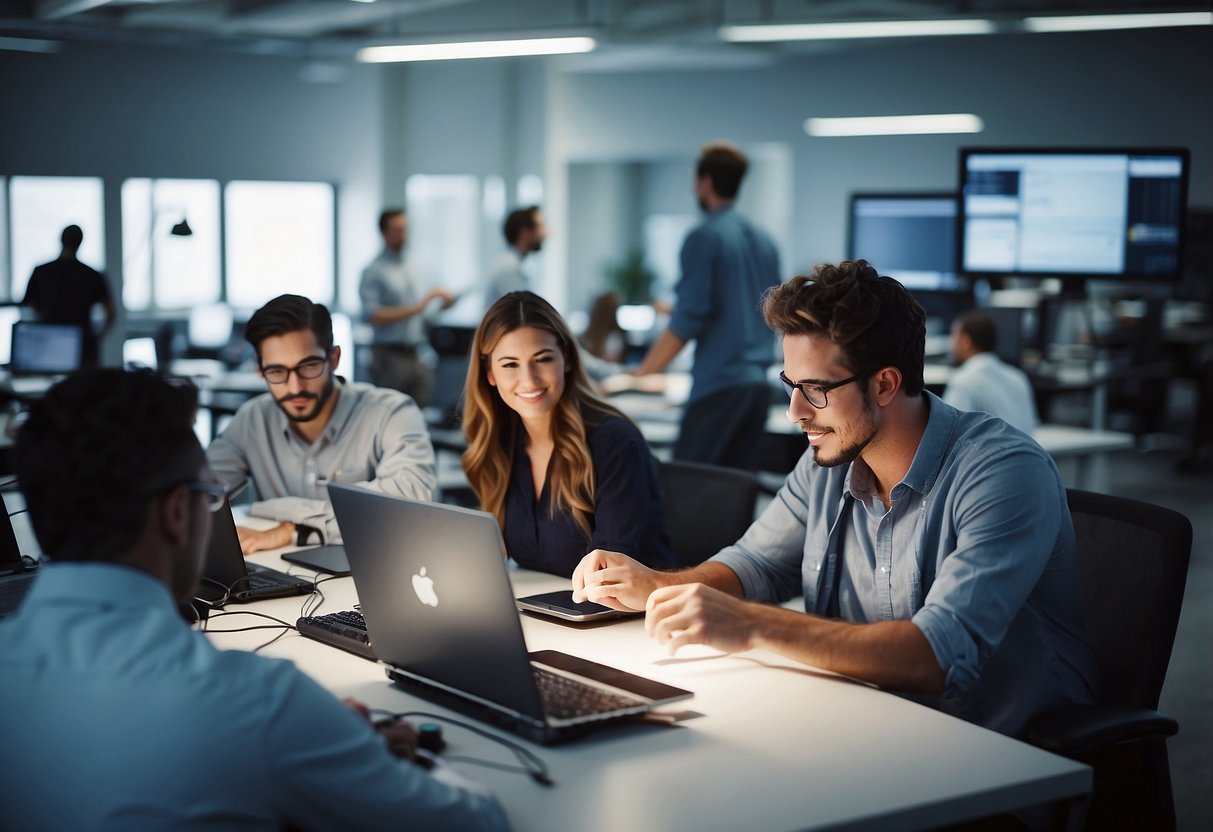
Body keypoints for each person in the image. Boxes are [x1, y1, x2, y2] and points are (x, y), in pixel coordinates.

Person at [573, 260, 1098, 739]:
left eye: (816, 390)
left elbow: (935, 655)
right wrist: (659, 587)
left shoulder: (1002, 474)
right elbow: (755, 565)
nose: (795, 412)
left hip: (997, 750)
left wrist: (750, 625)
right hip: (867, 728)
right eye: (789, 385)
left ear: (886, 384)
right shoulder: (831, 458)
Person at [0, 368, 509, 831]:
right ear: (178, 514)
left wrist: (324, 749)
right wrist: (342, 753)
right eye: (209, 496)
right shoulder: (260, 704)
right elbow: (478, 823)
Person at [462, 291, 674, 578]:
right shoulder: (500, 444)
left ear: (567, 359)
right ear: (490, 374)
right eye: (510, 364)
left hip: (623, 617)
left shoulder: (616, 443)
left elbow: (610, 578)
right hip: (543, 611)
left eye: (543, 359)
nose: (529, 379)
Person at [208, 294, 436, 553]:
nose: (295, 387)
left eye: (308, 366)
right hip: (282, 578)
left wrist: (293, 526)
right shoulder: (252, 420)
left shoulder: (393, 412)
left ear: (334, 358)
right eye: (277, 372)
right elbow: (195, 492)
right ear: (261, 371)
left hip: (370, 575)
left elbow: (413, 502)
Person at [631, 141, 781, 470]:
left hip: (719, 389)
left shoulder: (704, 237)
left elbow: (691, 317)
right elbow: (749, 306)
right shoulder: (764, 241)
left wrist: (644, 372)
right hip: (757, 389)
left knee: (690, 492)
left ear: (706, 183)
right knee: (734, 496)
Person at [359, 208, 457, 407]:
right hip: (390, 357)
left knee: (420, 417)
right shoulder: (374, 271)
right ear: (384, 233)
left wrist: (441, 305)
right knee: (390, 416)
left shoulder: (412, 266)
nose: (402, 234)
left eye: (404, 229)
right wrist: (419, 307)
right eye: (396, 229)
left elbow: (423, 315)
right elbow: (372, 315)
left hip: (417, 353)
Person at [21, 224, 116, 368]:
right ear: (80, 243)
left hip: (49, 340)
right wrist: (98, 336)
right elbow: (110, 312)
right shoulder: (92, 274)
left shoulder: (41, 272)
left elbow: (28, 307)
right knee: (84, 387)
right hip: (83, 342)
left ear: (60, 240)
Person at [944, 309, 1040, 433]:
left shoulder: (964, 381)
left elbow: (948, 432)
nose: (951, 343)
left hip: (989, 453)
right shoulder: (1018, 377)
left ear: (966, 342)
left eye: (953, 336)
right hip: (1025, 452)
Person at [484, 206, 546, 305]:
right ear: (525, 232)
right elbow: (522, 310)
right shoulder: (509, 267)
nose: (545, 233)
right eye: (540, 226)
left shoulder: (513, 263)